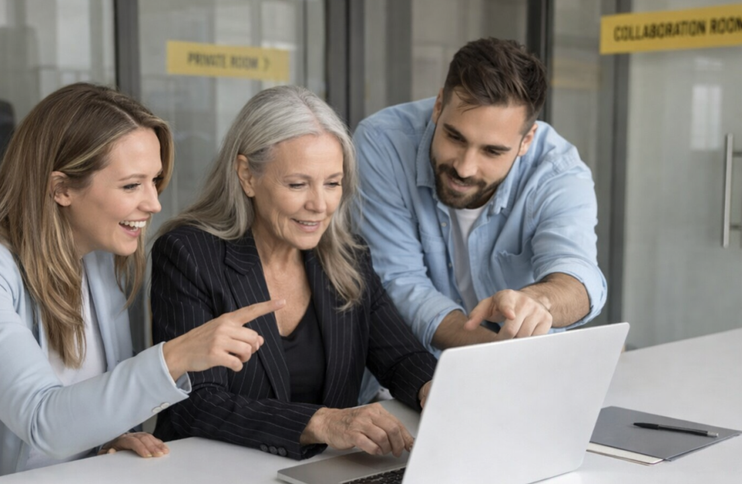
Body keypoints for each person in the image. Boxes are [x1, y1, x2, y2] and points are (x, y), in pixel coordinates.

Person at [0, 83, 282, 484]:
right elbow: (43, 421)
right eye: (131, 185)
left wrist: (104, 438)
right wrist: (175, 356)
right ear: (61, 188)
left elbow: (78, 409)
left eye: (153, 180)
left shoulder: (97, 257)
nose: (154, 203)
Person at [150, 85, 437, 461]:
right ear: (247, 175)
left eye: (333, 183)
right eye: (298, 184)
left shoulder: (349, 256)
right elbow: (196, 403)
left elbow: (400, 357)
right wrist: (321, 423)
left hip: (325, 472)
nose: (319, 205)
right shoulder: (188, 253)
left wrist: (431, 388)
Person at [355, 37, 606, 357]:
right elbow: (400, 284)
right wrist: (497, 356)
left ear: (527, 139)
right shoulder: (383, 144)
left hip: (523, 373)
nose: (465, 167)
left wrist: (538, 302)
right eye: (454, 137)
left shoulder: (557, 172)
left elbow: (578, 277)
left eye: (492, 151)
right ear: (438, 105)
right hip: (411, 371)